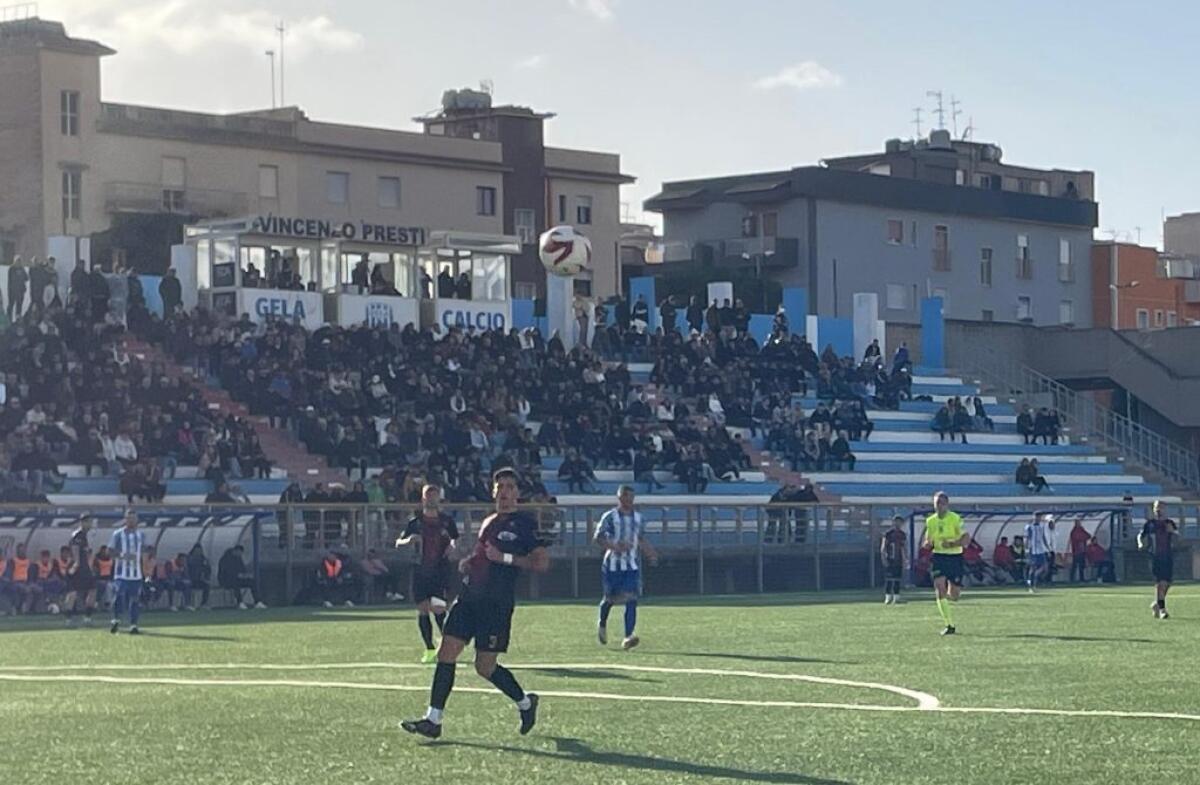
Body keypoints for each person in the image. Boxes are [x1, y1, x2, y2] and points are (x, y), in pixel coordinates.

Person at [401, 468, 549, 739]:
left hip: (496, 604)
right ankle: (433, 719)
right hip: (469, 598)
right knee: (446, 651)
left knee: (485, 667)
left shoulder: (525, 524)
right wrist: (469, 562)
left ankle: (526, 703)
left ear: (517, 493)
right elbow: (482, 555)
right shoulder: (489, 521)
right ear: (493, 492)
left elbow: (541, 564)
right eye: (500, 487)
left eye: (510, 487)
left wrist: (505, 558)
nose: (504, 492)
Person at [396, 484, 460, 663]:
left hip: (440, 571)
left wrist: (453, 546)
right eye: (428, 496)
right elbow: (398, 542)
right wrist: (409, 540)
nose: (431, 499)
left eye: (434, 495)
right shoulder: (415, 522)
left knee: (439, 609)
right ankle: (429, 649)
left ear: (439, 498)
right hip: (420, 570)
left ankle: (447, 646)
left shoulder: (446, 521)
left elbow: (456, 539)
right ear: (423, 499)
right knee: (423, 609)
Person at [595, 486, 658, 649]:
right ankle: (602, 623)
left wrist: (650, 552)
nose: (629, 500)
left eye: (631, 497)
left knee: (631, 598)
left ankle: (628, 636)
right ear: (620, 497)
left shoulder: (638, 518)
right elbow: (598, 538)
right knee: (610, 599)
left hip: (631, 565)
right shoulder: (610, 517)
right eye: (626, 496)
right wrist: (615, 546)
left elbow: (640, 538)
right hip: (612, 565)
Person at [922, 491, 967, 635]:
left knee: (954, 595)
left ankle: (951, 591)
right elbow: (928, 540)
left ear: (947, 504)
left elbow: (966, 539)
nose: (939, 506)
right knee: (939, 588)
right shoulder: (930, 521)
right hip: (939, 557)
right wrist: (927, 544)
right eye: (936, 503)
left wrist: (952, 544)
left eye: (941, 503)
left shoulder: (955, 518)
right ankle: (949, 624)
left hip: (955, 557)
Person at [1138, 500, 1178, 620]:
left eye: (1161, 507)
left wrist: (1172, 532)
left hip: (1168, 556)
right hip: (1155, 556)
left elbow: (1178, 538)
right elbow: (1140, 535)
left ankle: (1157, 604)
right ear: (1153, 509)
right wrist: (1140, 543)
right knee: (1160, 583)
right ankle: (1162, 610)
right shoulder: (1150, 524)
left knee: (1167, 583)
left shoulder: (1170, 523)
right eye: (1157, 507)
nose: (1159, 510)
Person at [108, 509, 145, 634]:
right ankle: (115, 620)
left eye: (133, 518)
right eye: (129, 518)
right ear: (125, 519)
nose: (131, 521)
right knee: (119, 595)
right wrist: (123, 555)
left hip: (136, 574)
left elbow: (145, 551)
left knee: (135, 599)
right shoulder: (118, 534)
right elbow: (110, 551)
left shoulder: (141, 535)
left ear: (137, 520)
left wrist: (146, 570)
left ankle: (133, 625)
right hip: (121, 573)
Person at [64, 515, 97, 626]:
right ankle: (68, 619)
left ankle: (87, 618)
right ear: (83, 522)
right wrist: (76, 564)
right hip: (76, 567)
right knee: (72, 593)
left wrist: (89, 567)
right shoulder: (77, 535)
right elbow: (75, 549)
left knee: (92, 590)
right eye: (89, 522)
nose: (91, 525)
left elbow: (87, 553)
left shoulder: (86, 536)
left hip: (84, 567)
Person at [217, 545, 266, 609]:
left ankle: (258, 602)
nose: (240, 555)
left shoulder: (238, 558)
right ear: (235, 551)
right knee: (235, 583)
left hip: (238, 579)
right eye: (239, 553)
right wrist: (237, 575)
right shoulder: (224, 559)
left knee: (252, 582)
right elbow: (225, 572)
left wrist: (245, 575)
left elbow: (242, 569)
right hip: (226, 580)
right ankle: (240, 602)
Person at [880, 515, 907, 605]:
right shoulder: (888, 534)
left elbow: (904, 548)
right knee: (889, 579)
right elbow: (883, 546)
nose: (898, 523)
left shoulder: (902, 534)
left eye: (900, 522)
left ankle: (896, 597)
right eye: (896, 521)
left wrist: (905, 560)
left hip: (898, 560)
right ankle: (888, 597)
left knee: (897, 579)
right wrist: (884, 558)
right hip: (890, 558)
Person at [1023, 513, 1053, 593]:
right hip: (1033, 550)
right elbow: (1026, 538)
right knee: (1032, 569)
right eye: (1038, 517)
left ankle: (1034, 582)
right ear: (1034, 517)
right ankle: (1031, 586)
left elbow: (1043, 537)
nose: (1039, 518)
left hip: (1040, 550)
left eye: (1040, 517)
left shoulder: (1041, 526)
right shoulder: (1029, 527)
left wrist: (1048, 548)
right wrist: (1026, 549)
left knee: (1045, 568)